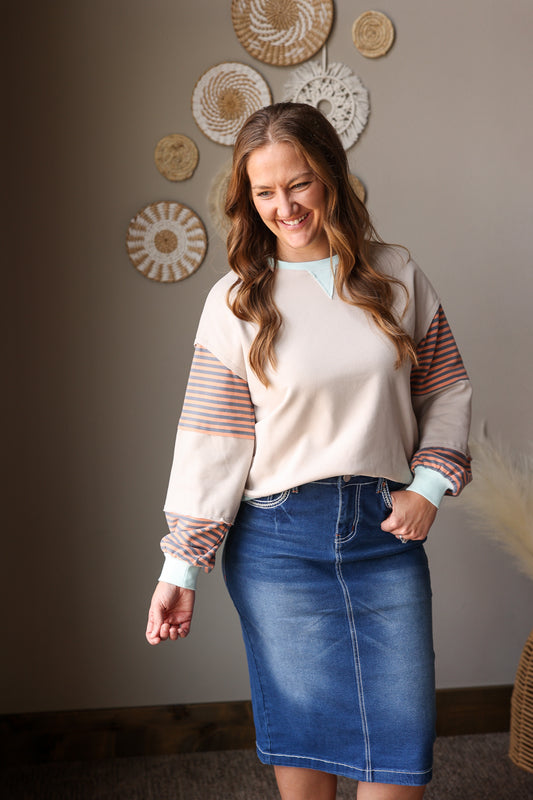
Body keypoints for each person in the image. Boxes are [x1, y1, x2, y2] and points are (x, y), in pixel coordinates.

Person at [146, 102, 472, 800]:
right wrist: (181, 567)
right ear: (247, 197)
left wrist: (428, 487)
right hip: (278, 547)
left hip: (384, 534)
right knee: (305, 746)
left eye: (298, 184)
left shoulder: (396, 275)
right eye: (264, 191)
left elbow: (446, 389)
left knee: (400, 748)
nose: (284, 206)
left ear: (330, 176)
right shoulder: (235, 301)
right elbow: (212, 442)